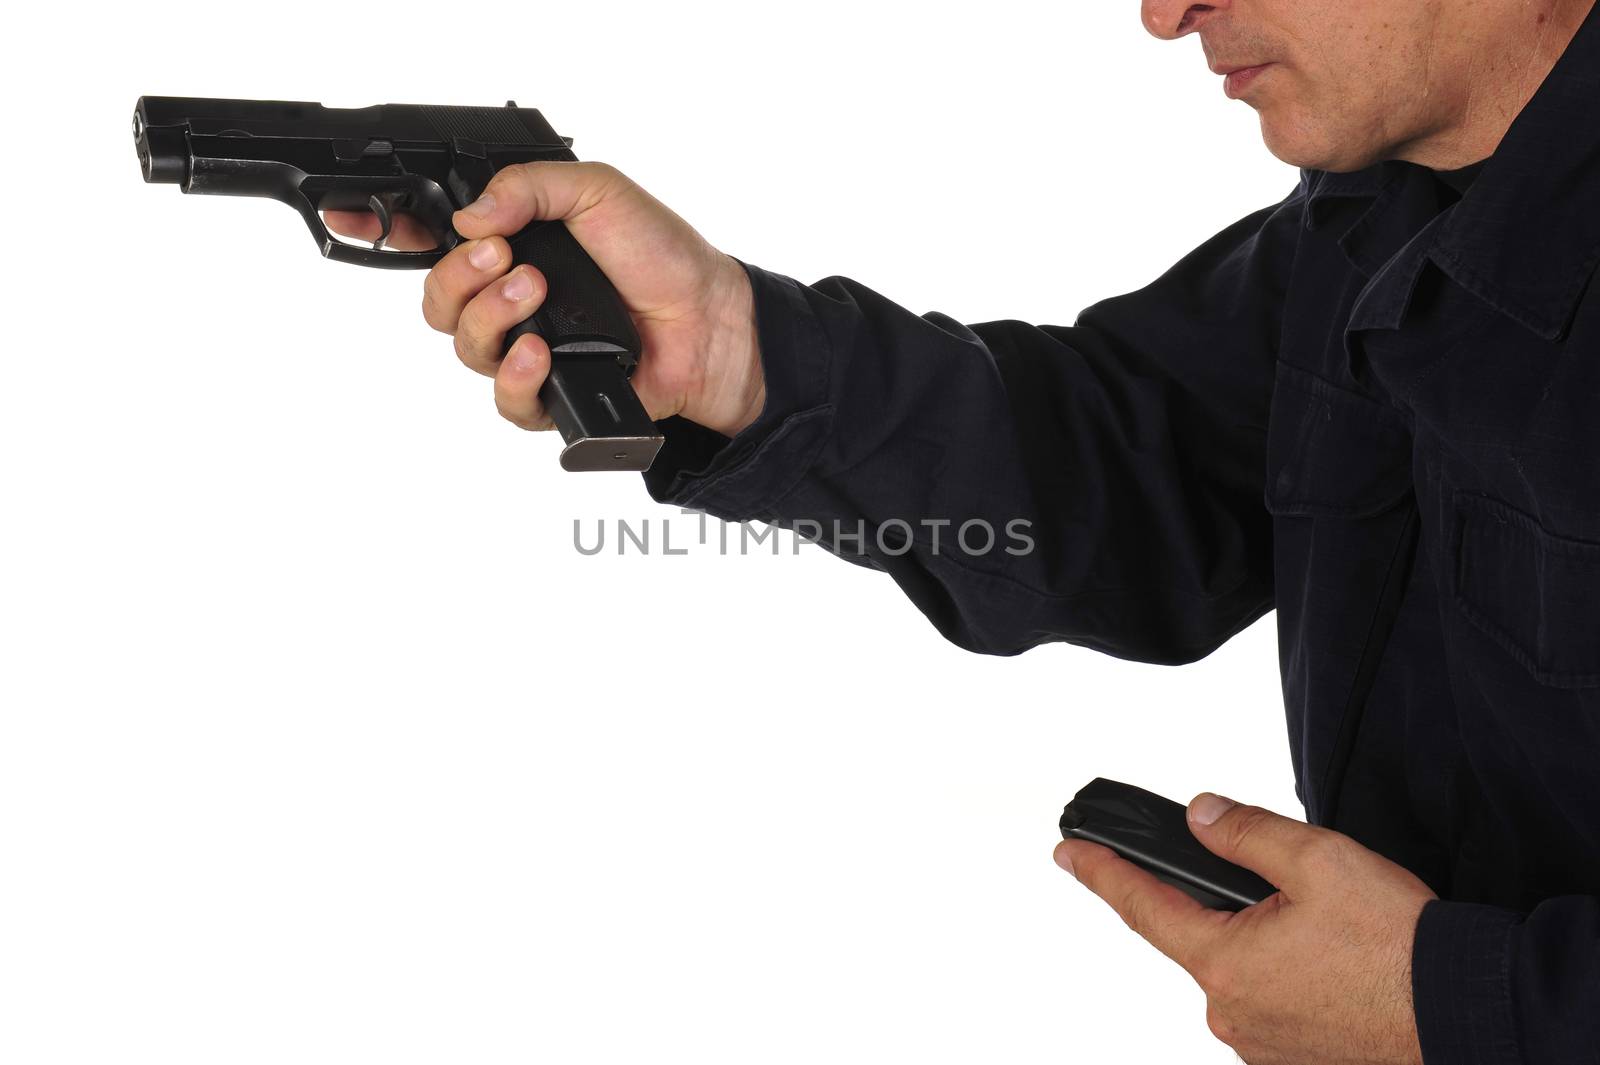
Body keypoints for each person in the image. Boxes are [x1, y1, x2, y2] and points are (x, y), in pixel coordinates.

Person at [326, 1, 1600, 1060]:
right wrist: (736, 355)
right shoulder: (1373, 219)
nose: (1164, 15)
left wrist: (1462, 1007)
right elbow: (1129, 471)